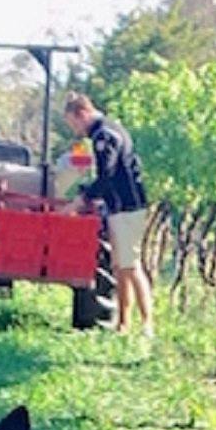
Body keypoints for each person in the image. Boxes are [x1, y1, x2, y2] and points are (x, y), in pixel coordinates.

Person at [64, 91, 154, 336]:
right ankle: (123, 324)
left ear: (82, 114)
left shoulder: (105, 136)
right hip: (119, 207)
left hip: (127, 206)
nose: (75, 130)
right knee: (120, 266)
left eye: (73, 123)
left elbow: (107, 176)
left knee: (131, 265)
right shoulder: (107, 131)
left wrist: (81, 201)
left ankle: (147, 324)